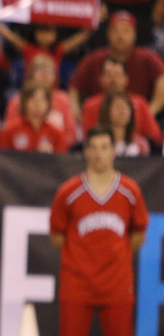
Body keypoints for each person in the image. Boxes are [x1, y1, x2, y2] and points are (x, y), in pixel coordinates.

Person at [50, 127, 149, 336]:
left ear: (113, 150)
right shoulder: (68, 192)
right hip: (77, 285)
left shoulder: (130, 191)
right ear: (86, 151)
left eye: (104, 147)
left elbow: (139, 233)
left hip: (117, 284)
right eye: (93, 148)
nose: (99, 153)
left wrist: (116, 253)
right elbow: (57, 236)